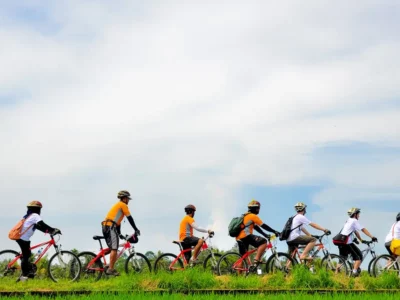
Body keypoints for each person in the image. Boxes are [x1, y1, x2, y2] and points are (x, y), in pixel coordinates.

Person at [16, 201, 60, 282]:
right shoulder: (35, 215)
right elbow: (42, 224)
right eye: (39, 209)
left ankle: (27, 273)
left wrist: (49, 231)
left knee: (27, 255)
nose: (40, 211)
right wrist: (53, 229)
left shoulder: (29, 216)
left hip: (23, 238)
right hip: (23, 238)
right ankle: (24, 275)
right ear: (36, 209)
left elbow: (40, 227)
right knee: (26, 256)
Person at [102, 190, 140, 276]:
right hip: (110, 227)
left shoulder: (118, 206)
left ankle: (107, 265)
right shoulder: (123, 205)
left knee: (113, 247)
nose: (128, 201)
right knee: (114, 248)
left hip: (108, 226)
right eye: (128, 199)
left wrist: (119, 234)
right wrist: (136, 229)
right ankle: (110, 269)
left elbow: (117, 222)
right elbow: (130, 218)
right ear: (124, 198)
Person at [236, 200, 280, 272]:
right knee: (263, 242)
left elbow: (256, 227)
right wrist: (274, 231)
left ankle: (238, 277)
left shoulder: (245, 215)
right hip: (246, 236)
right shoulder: (253, 216)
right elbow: (263, 225)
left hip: (239, 237)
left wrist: (265, 234)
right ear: (254, 208)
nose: (259, 210)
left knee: (242, 258)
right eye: (258, 208)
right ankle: (256, 260)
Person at [338, 207, 377, 277]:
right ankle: (354, 272)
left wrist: (361, 240)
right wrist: (372, 237)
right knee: (358, 258)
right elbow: (363, 229)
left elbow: (355, 231)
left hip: (342, 241)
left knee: (342, 259)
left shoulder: (348, 220)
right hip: (346, 242)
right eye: (358, 214)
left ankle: (336, 274)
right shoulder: (354, 221)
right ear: (355, 214)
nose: (359, 215)